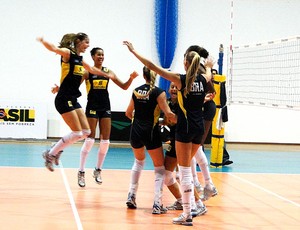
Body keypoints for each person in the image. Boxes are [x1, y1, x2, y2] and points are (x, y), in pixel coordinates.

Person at [123, 41, 214, 226]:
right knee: (189, 165)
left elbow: (151, 66)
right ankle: (203, 192)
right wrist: (211, 64)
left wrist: (134, 51)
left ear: (186, 64)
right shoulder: (204, 79)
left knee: (185, 171)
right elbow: (209, 72)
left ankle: (188, 214)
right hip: (199, 127)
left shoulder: (180, 79)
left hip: (185, 128)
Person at [37, 33, 111, 172]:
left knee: (86, 132)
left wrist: (109, 75)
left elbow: (92, 70)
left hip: (73, 99)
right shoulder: (67, 54)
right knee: (77, 133)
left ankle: (57, 148)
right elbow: (53, 48)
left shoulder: (81, 60)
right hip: (63, 99)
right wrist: (43, 41)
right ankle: (50, 154)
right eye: (86, 42)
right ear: (78, 41)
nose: (88, 45)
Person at [77, 47, 138, 187]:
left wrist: (131, 78)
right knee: (90, 140)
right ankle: (81, 171)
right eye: (98, 54)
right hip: (92, 107)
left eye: (103, 54)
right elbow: (74, 86)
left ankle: (98, 170)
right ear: (92, 56)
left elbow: (123, 86)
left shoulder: (108, 72)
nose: (101, 56)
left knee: (106, 142)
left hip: (105, 107)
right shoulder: (88, 72)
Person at [125, 66, 176, 215]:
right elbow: (168, 114)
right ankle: (157, 203)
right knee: (159, 168)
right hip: (150, 132)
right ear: (156, 74)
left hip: (135, 131)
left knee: (139, 162)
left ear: (143, 75)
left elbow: (128, 113)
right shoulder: (159, 92)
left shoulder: (136, 90)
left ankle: (131, 195)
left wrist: (138, 120)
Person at [162, 82, 207, 218]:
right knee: (169, 174)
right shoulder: (167, 102)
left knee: (178, 174)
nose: (174, 89)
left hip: (182, 140)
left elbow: (174, 120)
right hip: (175, 140)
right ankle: (185, 201)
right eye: (172, 87)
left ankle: (197, 204)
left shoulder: (184, 103)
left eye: (177, 87)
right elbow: (167, 120)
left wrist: (171, 117)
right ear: (169, 89)